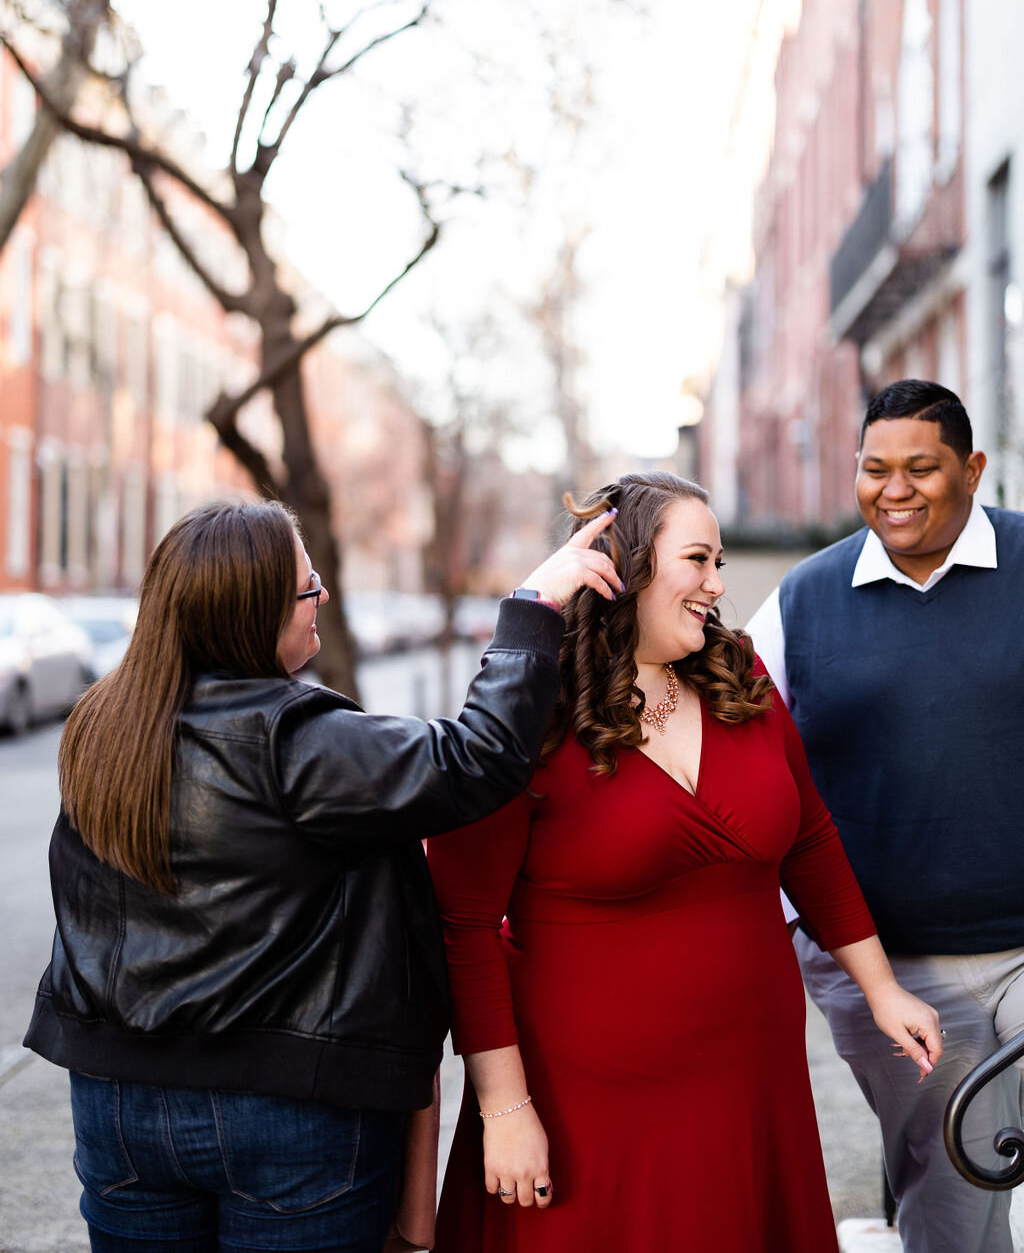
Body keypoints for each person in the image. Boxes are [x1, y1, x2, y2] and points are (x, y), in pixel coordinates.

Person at [23, 495, 623, 1253]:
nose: (324, 599)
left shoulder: (103, 724)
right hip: (286, 1114)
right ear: (253, 613)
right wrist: (533, 608)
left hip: (116, 1105)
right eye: (310, 589)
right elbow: (476, 760)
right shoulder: (296, 740)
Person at [427, 471, 941, 1253]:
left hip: (749, 1082)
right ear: (624, 568)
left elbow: (810, 839)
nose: (716, 583)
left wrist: (880, 988)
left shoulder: (740, 670)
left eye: (720, 562)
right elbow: (463, 922)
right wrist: (504, 1106)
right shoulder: (529, 707)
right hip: (588, 1105)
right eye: (698, 560)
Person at [746, 377, 1024, 1253]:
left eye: (920, 469)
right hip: (891, 976)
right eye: (873, 469)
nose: (892, 490)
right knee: (955, 1204)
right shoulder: (801, 602)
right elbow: (735, 756)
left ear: (973, 469)